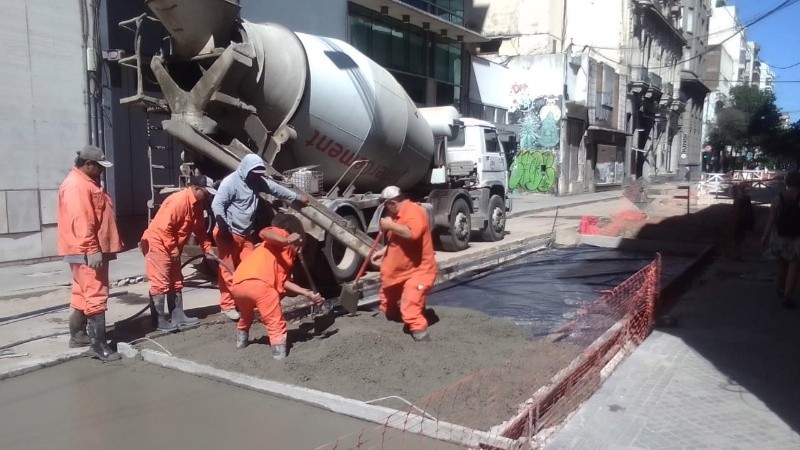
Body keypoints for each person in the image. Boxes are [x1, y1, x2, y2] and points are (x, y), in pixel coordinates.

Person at [211, 154, 309, 321]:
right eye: (253, 172)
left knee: (253, 268)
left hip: (245, 234)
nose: (256, 175)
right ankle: (227, 306)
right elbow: (217, 205)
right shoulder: (231, 182)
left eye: (258, 173)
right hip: (227, 233)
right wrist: (223, 226)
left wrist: (297, 197)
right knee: (227, 271)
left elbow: (275, 188)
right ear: (245, 170)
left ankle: (252, 298)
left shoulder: (256, 181)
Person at [57, 145, 123, 361]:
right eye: (99, 167)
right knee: (96, 294)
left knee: (81, 293)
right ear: (88, 164)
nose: (102, 171)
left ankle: (78, 335)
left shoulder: (85, 182)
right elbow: (82, 220)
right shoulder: (77, 186)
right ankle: (98, 346)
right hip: (87, 251)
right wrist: (92, 249)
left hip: (83, 249)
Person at [230, 215, 323, 360]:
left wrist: (308, 293)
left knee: (246, 315)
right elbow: (265, 233)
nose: (298, 250)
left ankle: (241, 340)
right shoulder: (281, 238)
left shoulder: (279, 255)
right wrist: (287, 239)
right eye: (297, 245)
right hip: (260, 284)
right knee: (275, 321)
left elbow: (283, 282)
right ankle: (279, 354)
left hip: (238, 285)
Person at [140, 175, 218, 331]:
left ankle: (178, 315)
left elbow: (201, 231)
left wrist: (207, 248)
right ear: (196, 188)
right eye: (206, 192)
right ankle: (160, 322)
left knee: (176, 280)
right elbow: (164, 227)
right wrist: (173, 248)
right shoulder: (179, 201)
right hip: (158, 243)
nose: (208, 196)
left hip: (171, 245)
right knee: (160, 283)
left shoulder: (197, 205)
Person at [370, 186, 438, 341]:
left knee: (410, 303)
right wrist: (385, 250)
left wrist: (389, 225)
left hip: (420, 270)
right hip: (401, 270)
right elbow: (399, 236)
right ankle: (389, 318)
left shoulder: (414, 212)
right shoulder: (399, 215)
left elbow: (412, 233)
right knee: (388, 293)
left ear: (392, 203)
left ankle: (420, 333)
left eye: (386, 205)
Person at [762, 171, 800, 308]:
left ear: (786, 182)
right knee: (794, 266)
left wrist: (764, 236)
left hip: (779, 237)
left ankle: (780, 288)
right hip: (797, 239)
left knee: (782, 264)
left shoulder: (778, 198)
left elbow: (771, 220)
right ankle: (787, 296)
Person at [730, 183, 755, 260]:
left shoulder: (738, 200)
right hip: (741, 220)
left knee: (737, 238)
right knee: (738, 238)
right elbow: (749, 211)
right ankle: (736, 254)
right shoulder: (745, 199)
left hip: (738, 220)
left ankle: (736, 253)